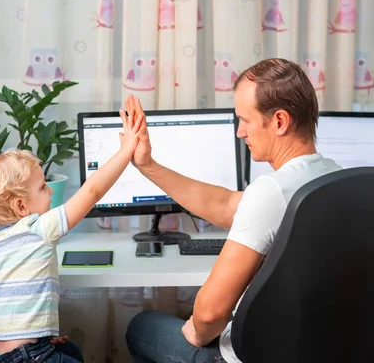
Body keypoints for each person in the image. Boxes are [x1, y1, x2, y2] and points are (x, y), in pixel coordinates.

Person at [125, 57, 343, 363]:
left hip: (248, 356)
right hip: (317, 351)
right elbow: (226, 205)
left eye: (245, 120)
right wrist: (148, 166)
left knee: (140, 327)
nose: (240, 132)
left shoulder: (273, 191)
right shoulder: (333, 178)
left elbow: (210, 313)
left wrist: (196, 334)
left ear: (279, 121)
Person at [0, 109, 143, 363]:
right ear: (21, 206)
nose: (50, 191)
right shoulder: (39, 229)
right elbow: (92, 191)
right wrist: (126, 150)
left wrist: (31, 335)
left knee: (72, 353)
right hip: (27, 357)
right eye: (42, 186)